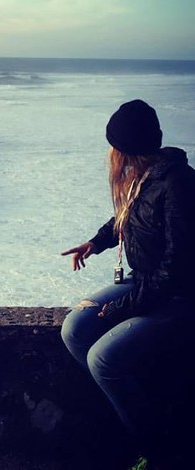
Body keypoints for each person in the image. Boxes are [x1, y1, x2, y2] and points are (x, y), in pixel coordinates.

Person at [60, 99, 195, 468]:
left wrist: (125, 307)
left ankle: (157, 450)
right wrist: (96, 242)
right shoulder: (144, 176)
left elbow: (177, 269)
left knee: (103, 360)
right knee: (74, 328)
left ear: (126, 147)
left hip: (180, 297)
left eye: (114, 145)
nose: (110, 153)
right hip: (145, 282)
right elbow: (127, 216)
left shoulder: (179, 183)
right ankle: (131, 410)